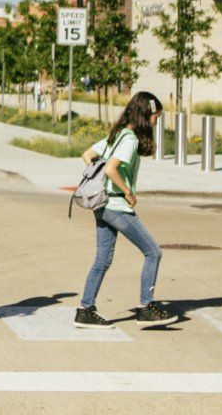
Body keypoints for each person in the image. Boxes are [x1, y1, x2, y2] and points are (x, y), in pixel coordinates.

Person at [74, 91, 174, 329]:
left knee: (102, 259)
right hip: (117, 205)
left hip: (101, 205)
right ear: (146, 114)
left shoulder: (117, 134)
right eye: (156, 117)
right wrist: (128, 192)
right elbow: (110, 169)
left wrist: (99, 179)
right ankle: (145, 308)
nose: (156, 122)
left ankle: (85, 310)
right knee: (153, 253)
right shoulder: (130, 139)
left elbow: (87, 155)